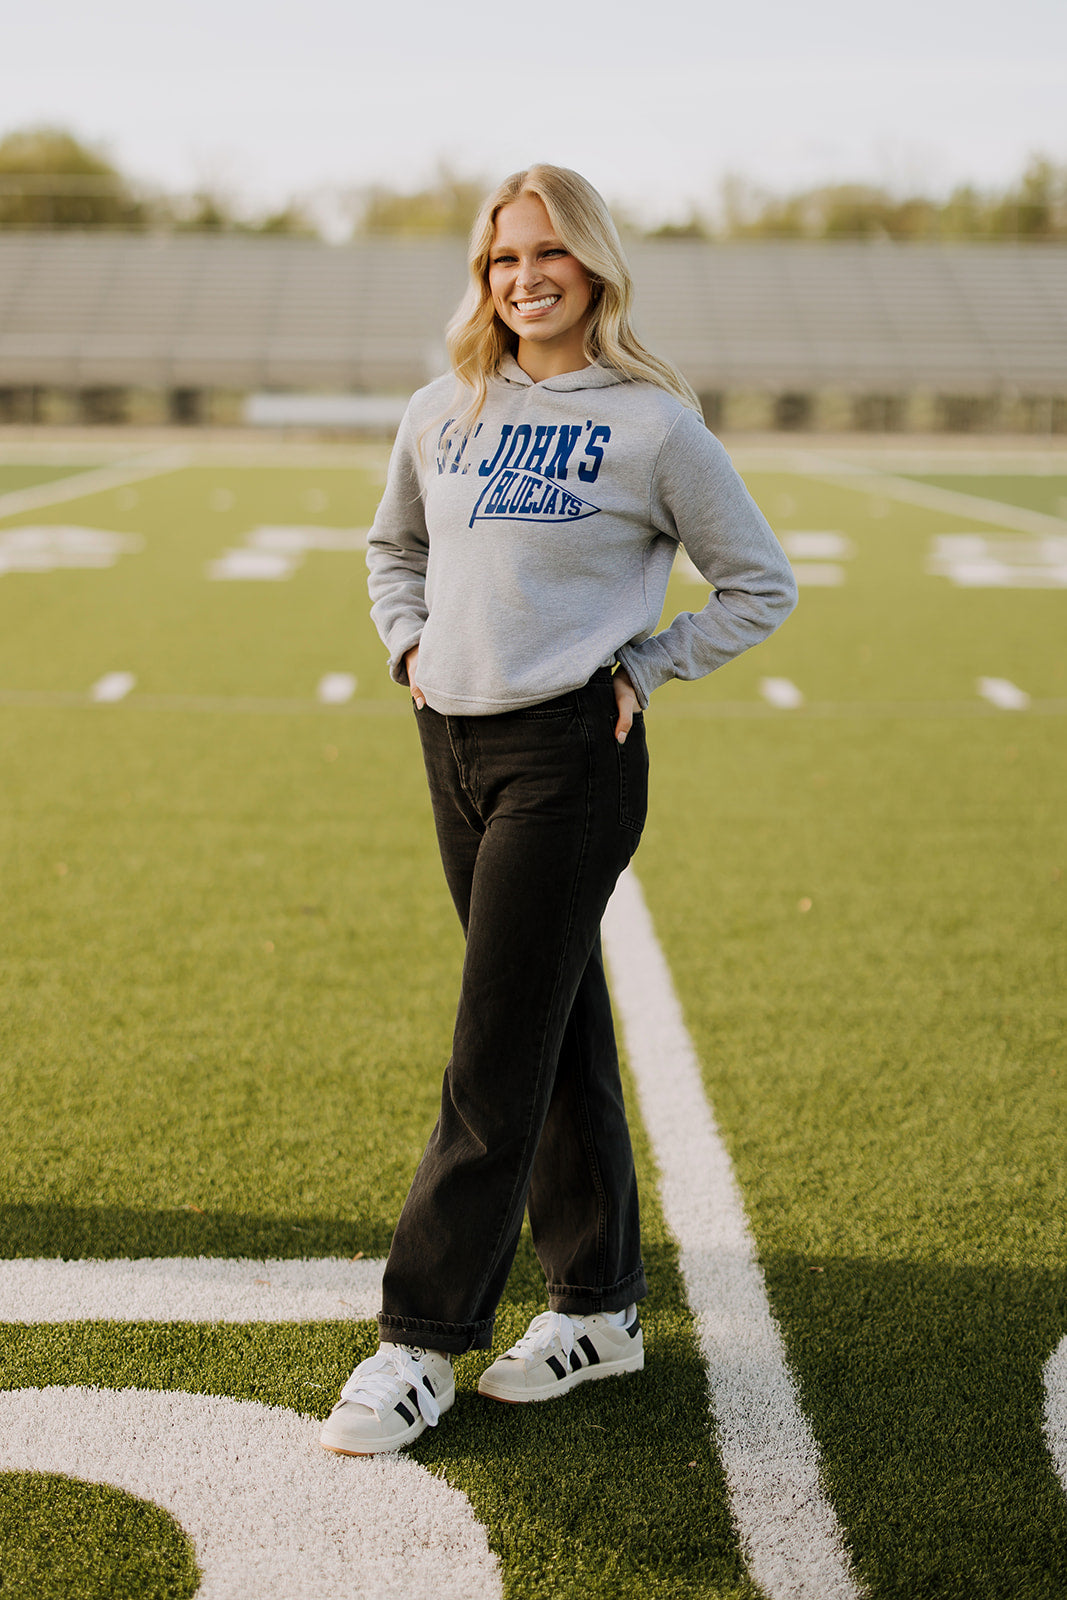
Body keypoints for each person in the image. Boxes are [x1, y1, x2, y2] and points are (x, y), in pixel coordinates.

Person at [320, 164, 797, 1456]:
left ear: (591, 267)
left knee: (490, 1053)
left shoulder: (653, 428)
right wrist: (408, 647)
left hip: (572, 759)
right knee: (555, 1023)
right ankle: (597, 1309)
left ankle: (418, 1341)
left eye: (545, 255)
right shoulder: (442, 410)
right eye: (498, 260)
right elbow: (393, 550)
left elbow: (761, 584)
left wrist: (647, 662)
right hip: (452, 746)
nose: (520, 278)